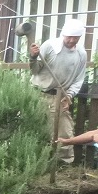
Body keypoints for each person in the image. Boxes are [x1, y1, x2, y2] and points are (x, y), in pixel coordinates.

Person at [30, 18, 88, 163]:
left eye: (76, 37)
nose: (72, 40)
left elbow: (78, 79)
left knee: (64, 132)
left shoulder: (81, 54)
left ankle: (63, 165)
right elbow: (35, 70)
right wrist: (33, 57)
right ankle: (34, 162)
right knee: (34, 129)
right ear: (63, 34)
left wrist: (69, 96)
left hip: (60, 97)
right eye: (69, 36)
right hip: (37, 94)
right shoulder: (50, 46)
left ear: (80, 37)